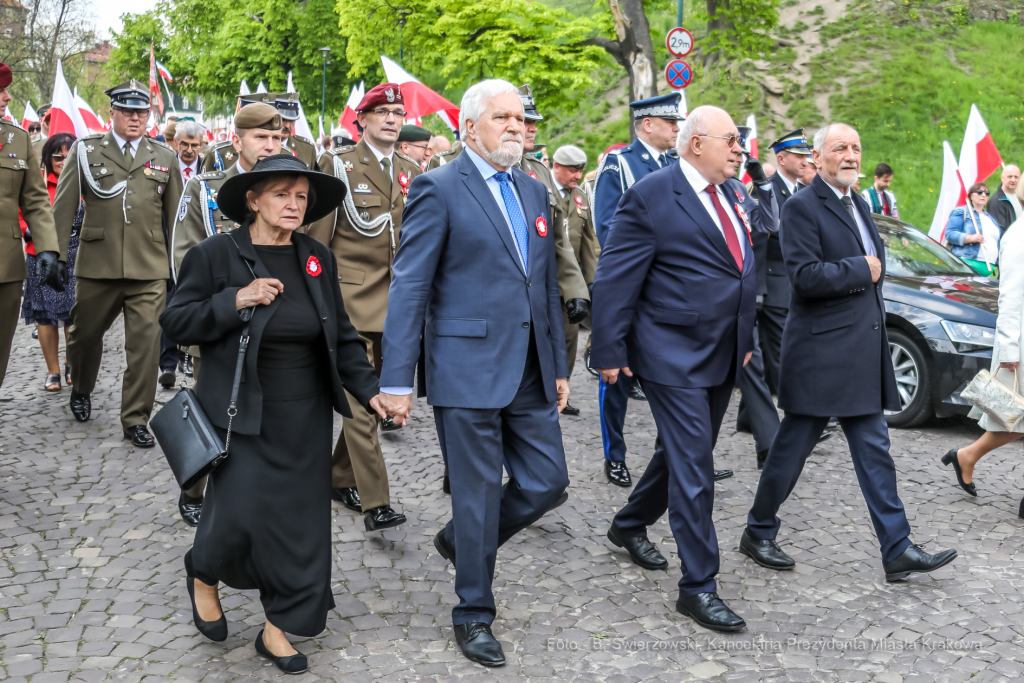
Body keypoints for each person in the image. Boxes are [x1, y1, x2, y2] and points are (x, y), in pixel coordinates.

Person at [161, 154, 386, 675]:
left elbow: (341, 335)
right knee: (234, 519)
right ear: (253, 200)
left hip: (305, 415)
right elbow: (176, 321)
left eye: (301, 196)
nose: (293, 204)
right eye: (282, 193)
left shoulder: (316, 256)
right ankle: (203, 569)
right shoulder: (216, 254)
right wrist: (236, 298)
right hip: (240, 412)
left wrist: (371, 392)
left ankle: (278, 627)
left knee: (302, 527)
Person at [377, 79, 570, 667]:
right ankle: (473, 613)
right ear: (470, 128)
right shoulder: (439, 188)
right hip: (465, 368)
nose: (515, 126)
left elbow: (543, 286)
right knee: (478, 492)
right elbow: (411, 285)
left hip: (532, 367)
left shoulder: (535, 191)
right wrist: (395, 379)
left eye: (520, 117)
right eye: (501, 117)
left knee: (547, 483)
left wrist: (558, 363)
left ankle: (462, 539)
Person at [741, 122, 958, 583]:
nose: (851, 155)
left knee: (875, 451)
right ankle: (758, 530)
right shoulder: (802, 206)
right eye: (840, 148)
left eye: (857, 147)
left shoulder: (857, 202)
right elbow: (804, 277)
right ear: (817, 158)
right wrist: (862, 267)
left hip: (857, 354)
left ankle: (897, 548)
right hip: (821, 358)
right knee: (790, 451)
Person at [592, 106, 759, 633]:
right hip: (669, 352)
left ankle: (630, 522)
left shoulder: (734, 194)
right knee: (694, 466)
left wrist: (746, 337)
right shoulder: (650, 194)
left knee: (682, 454)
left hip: (722, 350)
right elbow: (616, 279)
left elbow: (741, 271)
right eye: (731, 140)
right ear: (694, 144)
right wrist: (609, 350)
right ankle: (699, 586)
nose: (740, 149)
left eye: (741, 141)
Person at [307, 83, 415, 531]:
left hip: (397, 308)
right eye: (383, 112)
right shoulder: (339, 165)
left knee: (373, 406)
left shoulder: (411, 169)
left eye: (398, 112)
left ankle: (337, 475)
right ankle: (376, 503)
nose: (392, 119)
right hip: (349, 304)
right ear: (363, 119)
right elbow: (317, 243)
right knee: (361, 402)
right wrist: (316, 303)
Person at [169, 102, 283, 527]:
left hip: (276, 321)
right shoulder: (206, 188)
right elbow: (185, 257)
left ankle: (255, 489)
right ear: (237, 141)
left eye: (276, 137)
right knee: (214, 408)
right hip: (222, 321)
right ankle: (195, 485)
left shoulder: (291, 187)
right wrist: (225, 302)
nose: (270, 145)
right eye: (260, 137)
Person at [52, 79, 183, 448]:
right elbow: (62, 208)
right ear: (112, 113)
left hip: (149, 268)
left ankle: (135, 418)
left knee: (144, 346)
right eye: (127, 111)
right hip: (98, 265)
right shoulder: (86, 150)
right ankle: (81, 387)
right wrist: (56, 255)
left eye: (141, 112)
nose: (135, 118)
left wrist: (178, 269)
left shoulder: (164, 156)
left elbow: (174, 219)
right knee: (83, 337)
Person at [592, 93, 688, 487]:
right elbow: (608, 228)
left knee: (674, 376)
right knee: (616, 379)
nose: (677, 128)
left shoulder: (676, 166)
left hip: (667, 291)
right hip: (633, 288)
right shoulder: (620, 164)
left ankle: (678, 454)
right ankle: (614, 455)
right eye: (671, 122)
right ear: (647, 124)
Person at [942, 181, 1024, 517]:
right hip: (1019, 345)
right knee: (1010, 416)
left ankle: (966, 456)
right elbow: (1011, 296)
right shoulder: (1019, 236)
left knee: (1014, 421)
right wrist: (1008, 350)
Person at [0, 65, 64, 390]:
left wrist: (48, 248)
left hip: (7, 269)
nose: (6, 96)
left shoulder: (17, 138)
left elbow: (37, 202)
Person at [21, 132, 81, 391]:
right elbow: (23, 211)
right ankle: (52, 371)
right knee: (46, 316)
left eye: (69, 155)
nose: (63, 160)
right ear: (48, 157)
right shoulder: (39, 183)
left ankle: (71, 364)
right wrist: (27, 230)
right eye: (58, 155)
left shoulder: (83, 182)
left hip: (77, 255)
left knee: (72, 316)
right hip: (44, 254)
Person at [159, 118, 208, 390]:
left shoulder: (208, 168)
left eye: (194, 145)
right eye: (184, 144)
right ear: (176, 143)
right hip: (167, 243)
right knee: (170, 303)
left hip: (197, 243)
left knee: (193, 303)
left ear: (202, 146)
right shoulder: (164, 165)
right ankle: (167, 363)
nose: (189, 150)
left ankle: (188, 356)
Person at [550, 144, 599, 415]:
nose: (577, 176)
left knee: (569, 340)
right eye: (571, 170)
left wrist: (590, 284)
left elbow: (588, 244)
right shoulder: (540, 190)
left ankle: (561, 393)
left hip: (570, 286)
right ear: (556, 167)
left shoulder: (581, 197)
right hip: (544, 282)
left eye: (580, 171)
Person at [203, 92, 277, 172]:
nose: (270, 147)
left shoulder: (284, 153)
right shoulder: (217, 154)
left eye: (276, 138)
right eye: (260, 137)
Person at [946, 182, 1000, 277]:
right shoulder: (962, 212)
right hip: (967, 263)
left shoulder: (990, 218)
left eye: (987, 193)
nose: (983, 195)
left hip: (987, 268)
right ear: (971, 196)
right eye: (979, 192)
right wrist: (970, 238)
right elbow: (950, 234)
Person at [275, 92, 318, 169]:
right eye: (283, 119)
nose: (287, 126)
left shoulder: (306, 148)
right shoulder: (263, 146)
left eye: (292, 120)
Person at [987, 164, 1021, 233]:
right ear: (1002, 178)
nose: (1013, 180)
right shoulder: (996, 201)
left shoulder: (1020, 197)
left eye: (1016, 177)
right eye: (1010, 176)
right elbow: (999, 231)